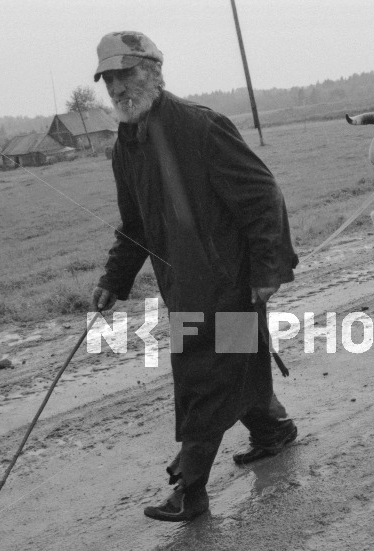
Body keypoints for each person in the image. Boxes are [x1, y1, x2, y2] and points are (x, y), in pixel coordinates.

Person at [90, 31, 299, 522]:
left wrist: (267, 269)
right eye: (110, 80)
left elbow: (262, 195)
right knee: (232, 365)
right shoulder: (126, 147)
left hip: (230, 283)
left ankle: (191, 489)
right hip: (183, 287)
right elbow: (136, 226)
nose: (119, 88)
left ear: (155, 72)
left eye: (128, 74)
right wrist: (114, 280)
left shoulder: (200, 127)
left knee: (203, 376)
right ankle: (273, 430)